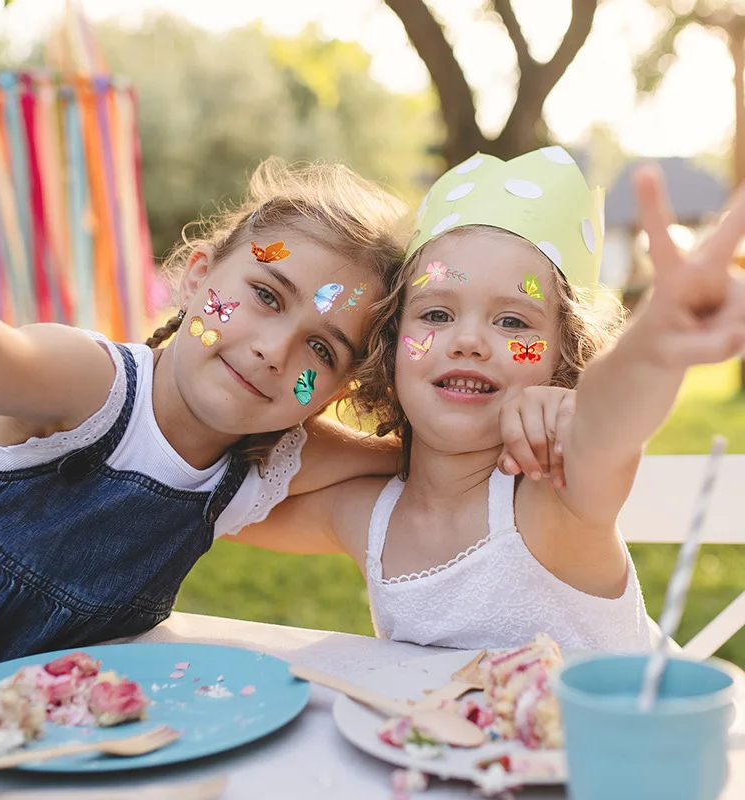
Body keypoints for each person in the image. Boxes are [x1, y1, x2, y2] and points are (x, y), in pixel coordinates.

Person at [229, 146, 745, 652]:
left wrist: (654, 345)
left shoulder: (554, 495)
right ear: (389, 348)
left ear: (562, 363)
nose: (468, 340)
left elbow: (611, 425)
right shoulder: (368, 518)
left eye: (512, 321)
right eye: (436, 314)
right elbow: (213, 500)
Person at [0, 157, 414, 678]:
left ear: (330, 395)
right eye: (266, 295)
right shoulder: (88, 386)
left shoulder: (267, 462)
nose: (275, 351)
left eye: (322, 350)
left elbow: (411, 458)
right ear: (196, 277)